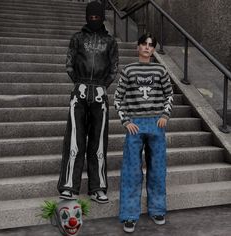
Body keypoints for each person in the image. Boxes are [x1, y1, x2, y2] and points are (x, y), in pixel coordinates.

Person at [57, 1, 119, 204]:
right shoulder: (77, 38)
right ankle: (68, 185)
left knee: (99, 142)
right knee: (75, 139)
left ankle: (98, 187)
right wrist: (79, 83)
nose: (94, 19)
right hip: (80, 92)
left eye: (97, 16)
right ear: (87, 16)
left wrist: (102, 86)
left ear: (101, 16)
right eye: (91, 16)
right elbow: (69, 64)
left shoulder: (110, 42)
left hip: (100, 93)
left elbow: (113, 68)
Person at [114, 32, 173, 233]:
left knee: (157, 169)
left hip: (156, 123)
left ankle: (158, 209)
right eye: (144, 44)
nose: (147, 48)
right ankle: (130, 215)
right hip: (135, 125)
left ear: (154, 49)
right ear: (138, 47)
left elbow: (169, 94)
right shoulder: (128, 70)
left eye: (151, 45)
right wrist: (126, 120)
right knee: (131, 171)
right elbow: (117, 98)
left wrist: (165, 114)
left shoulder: (161, 70)